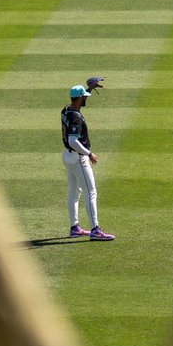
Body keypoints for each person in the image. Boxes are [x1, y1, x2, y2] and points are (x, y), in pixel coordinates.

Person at [61, 78, 113, 241]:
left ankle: (74, 227)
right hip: (78, 158)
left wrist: (88, 89)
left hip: (67, 156)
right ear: (80, 99)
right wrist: (89, 153)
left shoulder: (66, 110)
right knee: (91, 192)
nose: (86, 99)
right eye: (84, 97)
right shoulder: (76, 116)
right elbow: (72, 140)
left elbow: (79, 99)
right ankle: (95, 230)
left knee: (74, 192)